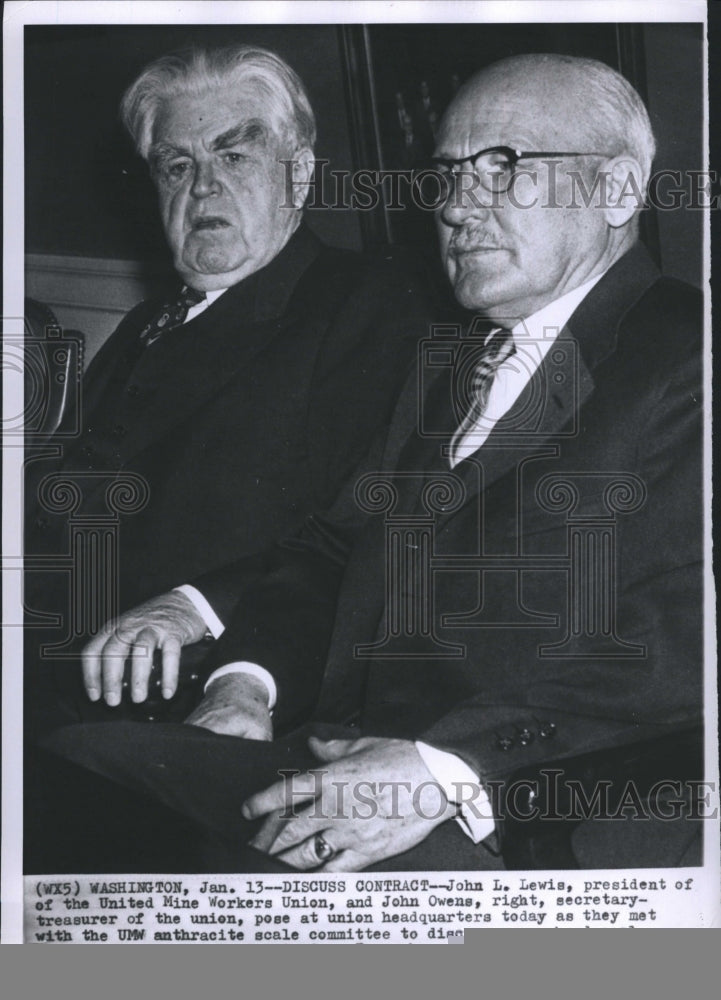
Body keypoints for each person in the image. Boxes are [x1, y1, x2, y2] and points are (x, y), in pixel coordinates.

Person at [48, 54, 703, 873]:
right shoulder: (452, 366)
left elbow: (685, 638)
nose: (459, 206)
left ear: (615, 190)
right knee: (74, 767)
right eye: (448, 175)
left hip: (530, 812)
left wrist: (442, 769)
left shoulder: (688, 355)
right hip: (340, 761)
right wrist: (249, 680)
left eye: (505, 166)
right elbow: (334, 547)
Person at [23, 44, 430, 735]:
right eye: (176, 166)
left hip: (204, 689)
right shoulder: (146, 323)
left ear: (297, 174)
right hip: (53, 672)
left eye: (233, 157)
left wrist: (194, 607)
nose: (201, 188)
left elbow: (356, 536)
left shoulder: (369, 304)